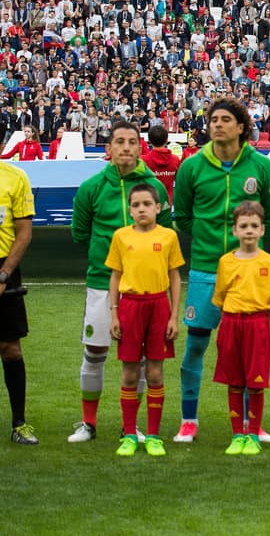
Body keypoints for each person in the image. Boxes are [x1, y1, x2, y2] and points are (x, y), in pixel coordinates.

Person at [172, 97, 270, 444]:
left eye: (225, 119)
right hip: (206, 269)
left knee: (252, 351)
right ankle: (189, 419)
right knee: (196, 346)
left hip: (250, 271)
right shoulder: (191, 168)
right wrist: (210, 242)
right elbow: (184, 217)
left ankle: (253, 423)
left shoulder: (261, 167)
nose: (217, 125)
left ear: (241, 126)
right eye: (213, 120)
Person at [68, 119, 171, 443]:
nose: (126, 147)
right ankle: (88, 423)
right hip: (102, 282)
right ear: (108, 149)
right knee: (95, 351)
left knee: (139, 362)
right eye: (120, 142)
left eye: (132, 142)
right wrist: (108, 258)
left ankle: (132, 427)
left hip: (144, 291)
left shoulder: (154, 186)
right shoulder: (91, 188)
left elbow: (166, 230)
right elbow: (80, 233)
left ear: (140, 148)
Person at [107, 184, 183, 457]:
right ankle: (129, 435)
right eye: (136, 205)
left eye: (147, 204)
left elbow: (174, 276)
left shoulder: (168, 237)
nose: (141, 209)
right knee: (129, 373)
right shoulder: (121, 236)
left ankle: (153, 436)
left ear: (158, 207)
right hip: (130, 307)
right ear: (129, 210)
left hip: (158, 306)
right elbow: (115, 276)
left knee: (154, 372)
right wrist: (114, 313)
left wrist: (174, 315)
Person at [212, 202, 270, 457]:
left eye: (254, 226)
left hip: (258, 326)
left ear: (263, 230)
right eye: (244, 226)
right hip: (232, 324)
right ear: (235, 231)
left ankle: (253, 434)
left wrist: (264, 328)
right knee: (234, 382)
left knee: (255, 384)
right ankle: (237, 435)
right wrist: (228, 326)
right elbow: (220, 299)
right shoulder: (226, 262)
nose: (249, 231)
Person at [0, 160, 34, 444]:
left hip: (4, 269)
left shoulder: (15, 177)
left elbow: (23, 232)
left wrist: (4, 274)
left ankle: (19, 424)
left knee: (10, 348)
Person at [140, 124, 181, 202]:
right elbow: (181, 183)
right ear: (166, 140)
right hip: (167, 202)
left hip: (148, 203)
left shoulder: (143, 160)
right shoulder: (175, 160)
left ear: (149, 140)